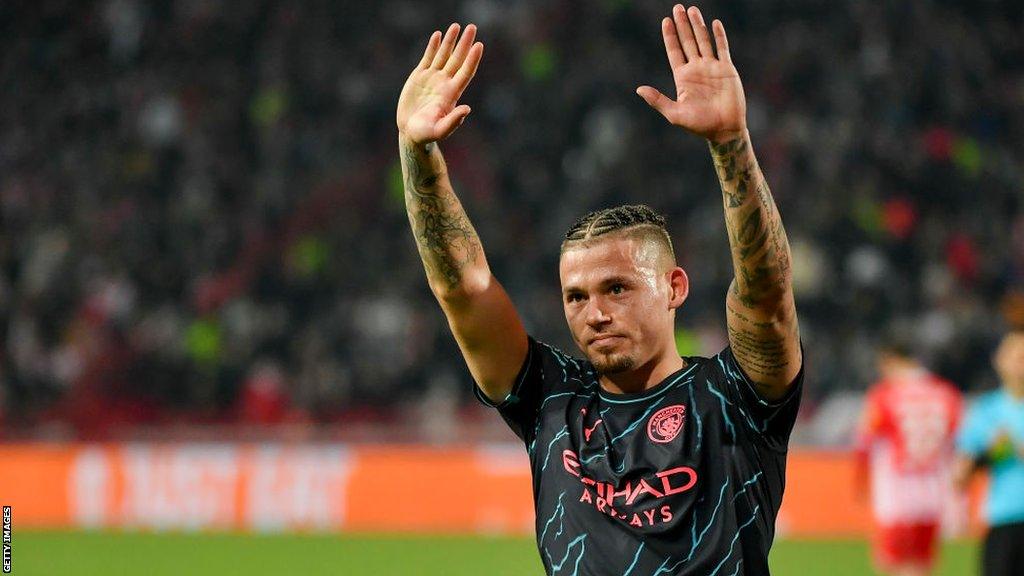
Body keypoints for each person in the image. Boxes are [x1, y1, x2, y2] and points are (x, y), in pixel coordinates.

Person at [396, 5, 802, 574]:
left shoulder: (736, 397)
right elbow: (464, 289)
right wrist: (418, 154)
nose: (596, 313)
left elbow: (766, 293)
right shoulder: (549, 401)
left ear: (674, 287)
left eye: (617, 288)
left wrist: (731, 144)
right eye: (576, 296)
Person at [853, 337, 963, 576]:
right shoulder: (946, 392)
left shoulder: (884, 394)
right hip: (934, 490)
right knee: (923, 563)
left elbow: (864, 441)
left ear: (889, 361)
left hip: (897, 491)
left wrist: (861, 481)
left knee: (894, 563)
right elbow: (957, 442)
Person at [955, 330, 1024, 576]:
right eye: (1016, 357)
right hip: (1003, 519)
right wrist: (992, 453)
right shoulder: (986, 410)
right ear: (999, 361)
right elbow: (960, 474)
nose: (1021, 364)